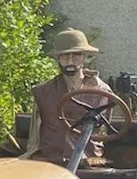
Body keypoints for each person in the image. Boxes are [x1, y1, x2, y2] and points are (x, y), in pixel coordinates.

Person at [22, 28, 112, 166]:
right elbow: (34, 135)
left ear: (84, 57)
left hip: (88, 162)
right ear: (57, 58)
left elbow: (106, 129)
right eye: (65, 56)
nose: (70, 61)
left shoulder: (102, 91)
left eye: (75, 56)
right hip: (50, 161)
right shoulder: (43, 92)